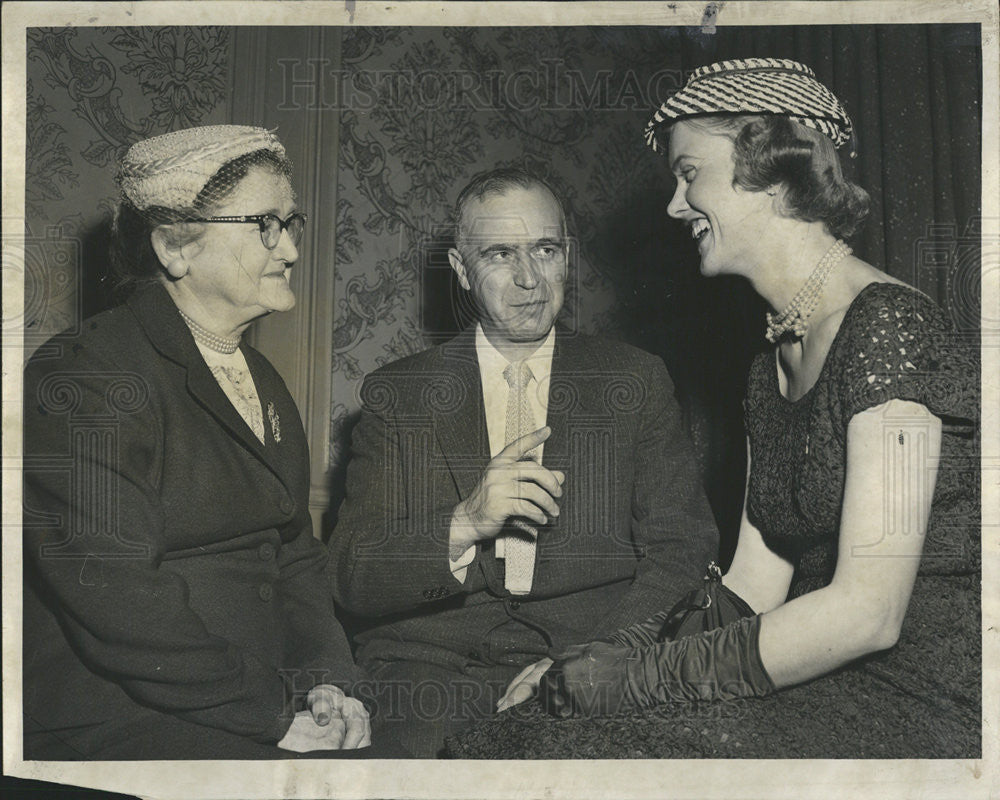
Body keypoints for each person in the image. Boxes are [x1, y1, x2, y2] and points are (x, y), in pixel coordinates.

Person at [514, 58, 979, 758]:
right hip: (822, 680)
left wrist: (636, 678)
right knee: (525, 734)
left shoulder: (887, 327)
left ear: (767, 165)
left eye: (688, 173)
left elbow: (869, 614)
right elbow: (751, 588)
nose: (674, 206)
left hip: (923, 697)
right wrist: (597, 658)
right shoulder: (770, 365)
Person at [329, 166, 718, 756]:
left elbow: (682, 550)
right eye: (500, 254)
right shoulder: (399, 395)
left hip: (587, 655)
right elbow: (353, 577)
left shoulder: (633, 380)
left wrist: (587, 662)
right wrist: (465, 521)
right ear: (461, 271)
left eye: (545, 250)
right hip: (428, 672)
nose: (529, 279)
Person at [22, 125, 374, 759]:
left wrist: (326, 678)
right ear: (174, 247)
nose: (291, 249)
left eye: (291, 223)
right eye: (265, 225)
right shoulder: (84, 375)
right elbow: (115, 594)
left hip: (249, 705)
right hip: (122, 716)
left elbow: (293, 552)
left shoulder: (260, 378)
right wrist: (270, 714)